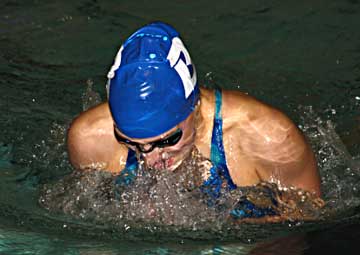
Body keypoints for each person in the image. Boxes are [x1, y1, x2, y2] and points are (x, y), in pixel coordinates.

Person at [67, 22, 321, 218]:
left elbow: (303, 229)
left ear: (194, 105)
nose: (150, 160)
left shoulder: (269, 137)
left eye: (167, 140)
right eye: (130, 142)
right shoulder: (89, 138)